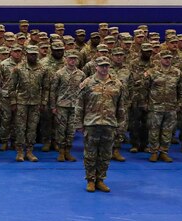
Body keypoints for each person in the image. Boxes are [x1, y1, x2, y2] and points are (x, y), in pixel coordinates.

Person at [76, 58, 125, 193]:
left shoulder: (117, 84)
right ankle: (90, 180)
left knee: (105, 154)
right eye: (102, 66)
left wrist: (121, 124)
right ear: (96, 67)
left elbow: (121, 106)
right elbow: (80, 105)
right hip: (92, 123)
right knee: (90, 153)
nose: (104, 68)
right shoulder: (87, 83)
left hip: (109, 123)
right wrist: (78, 123)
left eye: (106, 66)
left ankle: (101, 179)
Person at [145, 51, 182, 163]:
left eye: (169, 58)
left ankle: (164, 152)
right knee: (154, 130)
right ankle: (153, 152)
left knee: (168, 131)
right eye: (165, 58)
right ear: (160, 59)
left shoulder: (177, 73)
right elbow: (145, 88)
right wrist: (145, 103)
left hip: (171, 107)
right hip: (155, 106)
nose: (168, 60)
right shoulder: (152, 72)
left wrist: (180, 104)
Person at [49, 53, 85, 162]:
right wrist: (53, 106)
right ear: (66, 59)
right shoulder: (59, 73)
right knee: (61, 129)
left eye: (74, 59)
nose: (72, 61)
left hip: (75, 106)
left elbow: (83, 92)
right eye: (70, 58)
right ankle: (61, 151)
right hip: (62, 105)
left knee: (71, 130)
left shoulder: (81, 74)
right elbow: (53, 90)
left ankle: (68, 151)